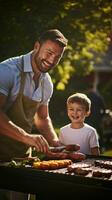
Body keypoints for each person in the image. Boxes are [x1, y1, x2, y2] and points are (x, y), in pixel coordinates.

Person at [0, 29, 68, 200]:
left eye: (57, 57)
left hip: (21, 158)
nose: (52, 60)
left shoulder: (46, 82)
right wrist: (27, 137)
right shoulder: (7, 70)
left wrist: (55, 143)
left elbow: (42, 118)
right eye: (49, 52)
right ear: (37, 46)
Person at [85, 83, 106, 149]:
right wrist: (101, 116)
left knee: (88, 133)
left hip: (89, 118)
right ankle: (101, 146)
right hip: (98, 118)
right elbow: (104, 108)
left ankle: (88, 147)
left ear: (88, 89)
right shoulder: (99, 97)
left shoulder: (87, 97)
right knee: (100, 133)